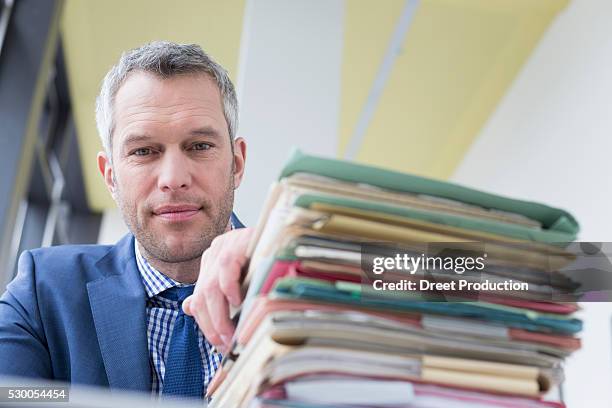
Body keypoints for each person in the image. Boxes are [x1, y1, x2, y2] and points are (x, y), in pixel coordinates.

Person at [0, 41, 252, 398]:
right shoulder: (43, 293)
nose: (173, 178)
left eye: (199, 146)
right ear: (111, 177)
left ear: (237, 164)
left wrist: (286, 254)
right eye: (144, 152)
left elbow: (365, 270)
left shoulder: (298, 270)